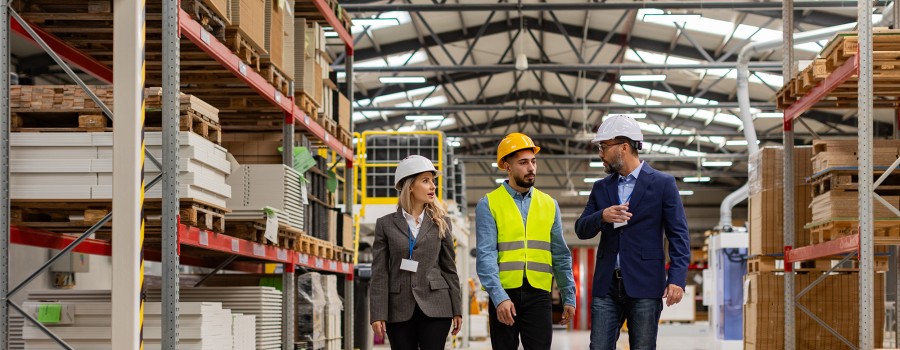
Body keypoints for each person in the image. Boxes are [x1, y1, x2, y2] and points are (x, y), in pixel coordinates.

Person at [574, 114, 691, 350]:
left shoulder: (662, 184)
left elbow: (678, 235)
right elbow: (581, 229)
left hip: (646, 285)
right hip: (606, 287)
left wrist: (677, 279)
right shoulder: (601, 188)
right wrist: (602, 216)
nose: (600, 154)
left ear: (624, 147)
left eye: (604, 147)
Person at [475, 132, 576, 350]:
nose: (531, 167)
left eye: (533, 161)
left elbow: (560, 254)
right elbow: (486, 255)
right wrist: (499, 297)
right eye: (523, 162)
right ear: (507, 166)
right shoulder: (489, 204)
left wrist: (569, 295)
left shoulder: (549, 204)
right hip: (503, 294)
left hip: (539, 293)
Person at [369, 155, 463, 350]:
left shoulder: (441, 221)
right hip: (398, 308)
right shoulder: (385, 224)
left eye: (433, 181)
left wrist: (457, 309)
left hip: (437, 306)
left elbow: (449, 268)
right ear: (410, 186)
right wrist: (378, 313)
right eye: (425, 181)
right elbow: (379, 273)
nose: (433, 187)